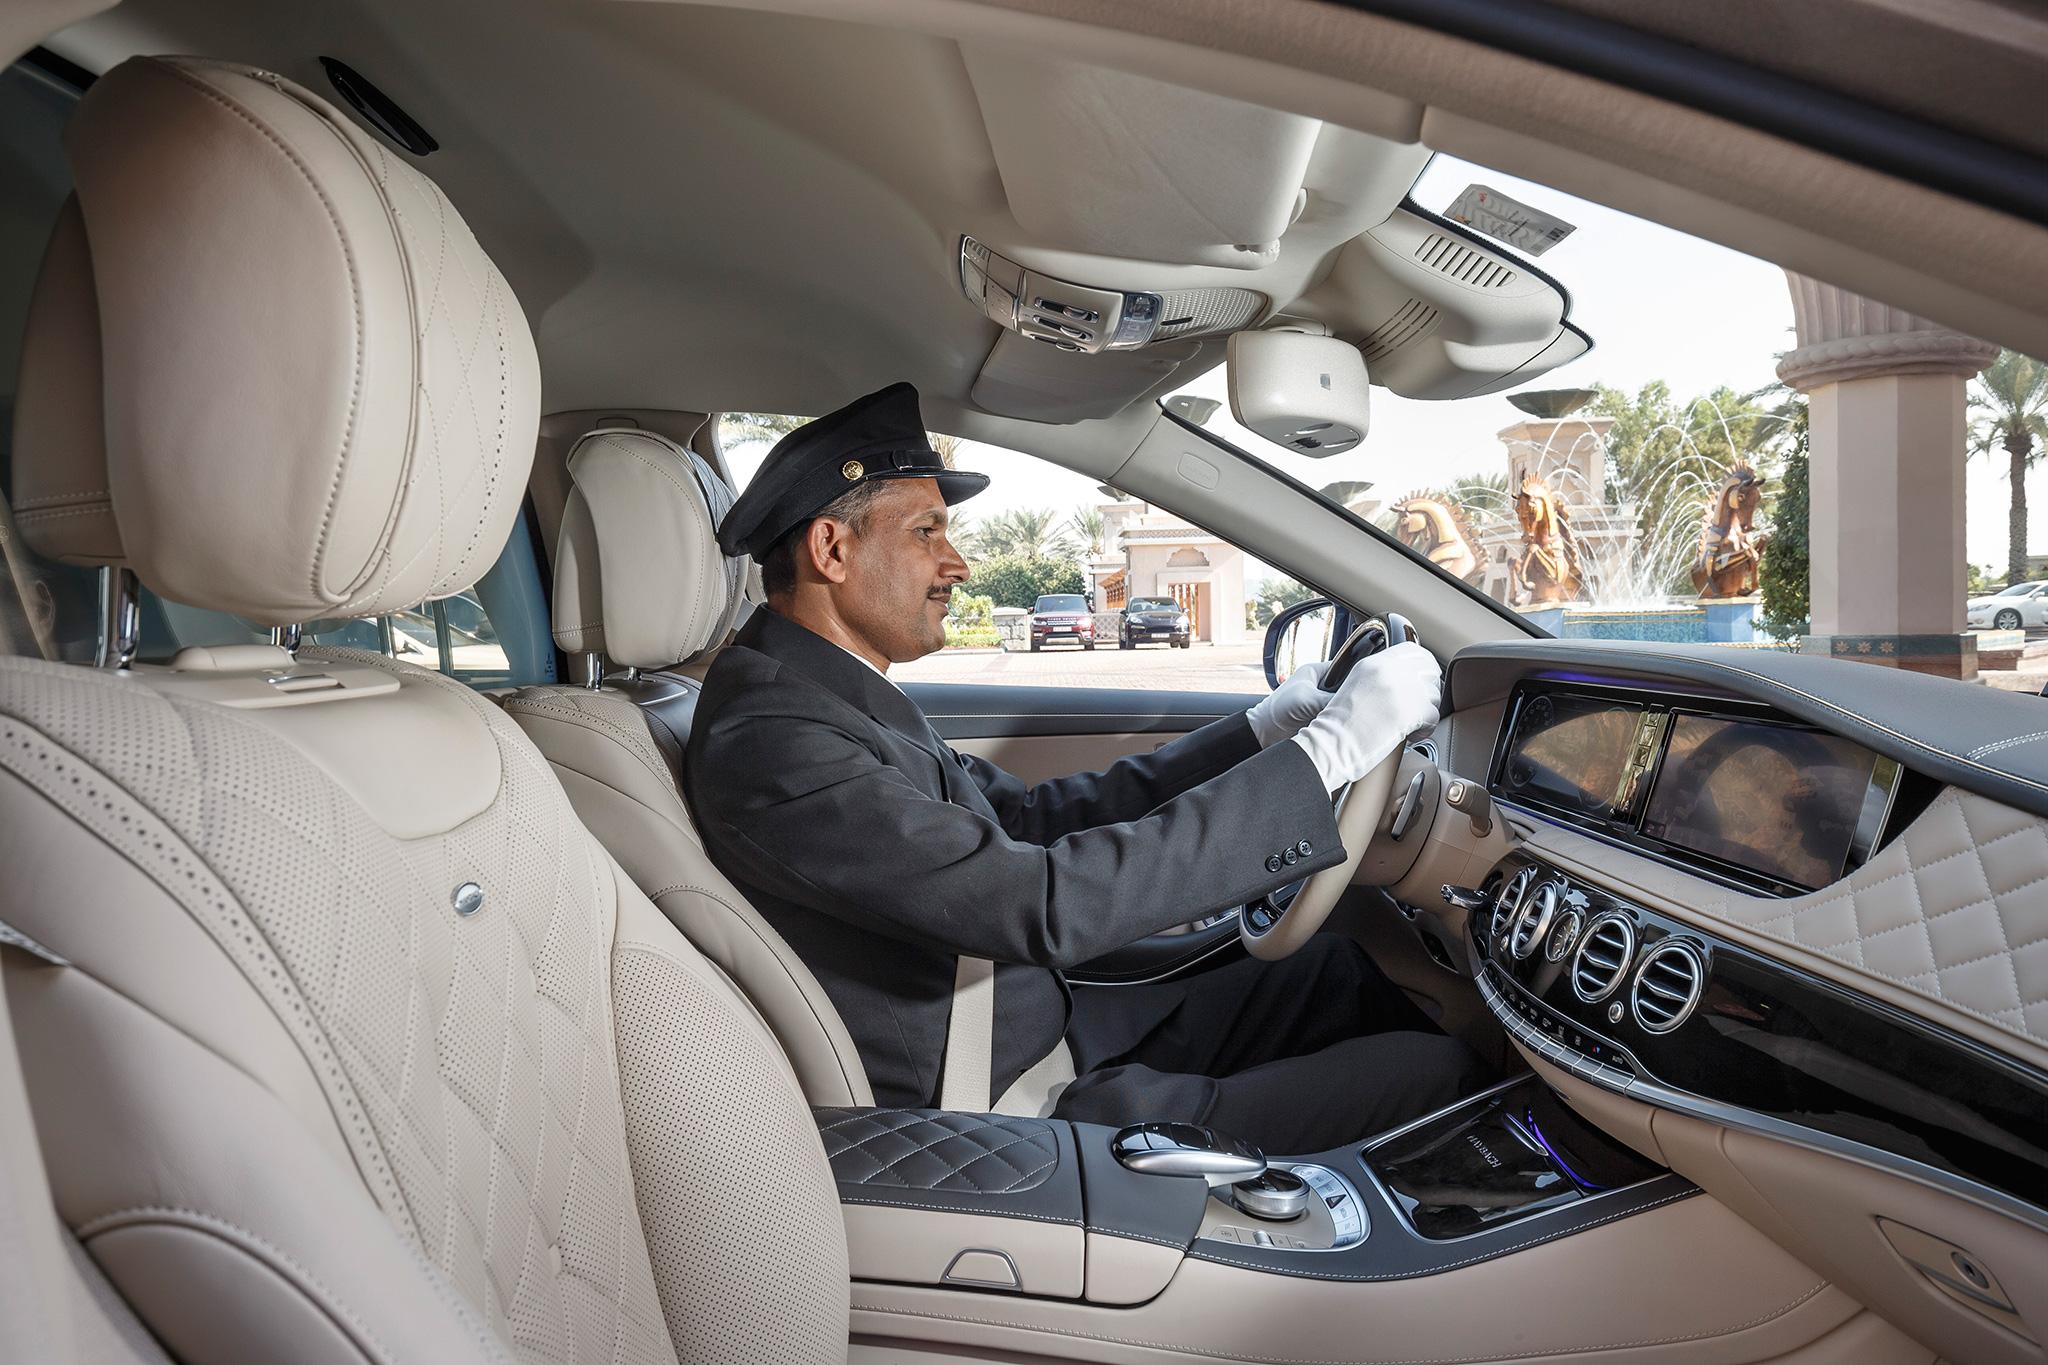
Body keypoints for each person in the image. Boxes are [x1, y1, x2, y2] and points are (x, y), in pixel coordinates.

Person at [685, 382, 1484, 1152]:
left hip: (1034, 1020)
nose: (956, 563)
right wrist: (1325, 757)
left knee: (1330, 972)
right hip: (1008, 1104)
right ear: (832, 549)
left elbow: (1027, 819)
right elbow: (1040, 902)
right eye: (927, 532)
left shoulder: (819, 693)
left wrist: (1261, 731)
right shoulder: (774, 738)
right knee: (1434, 1078)